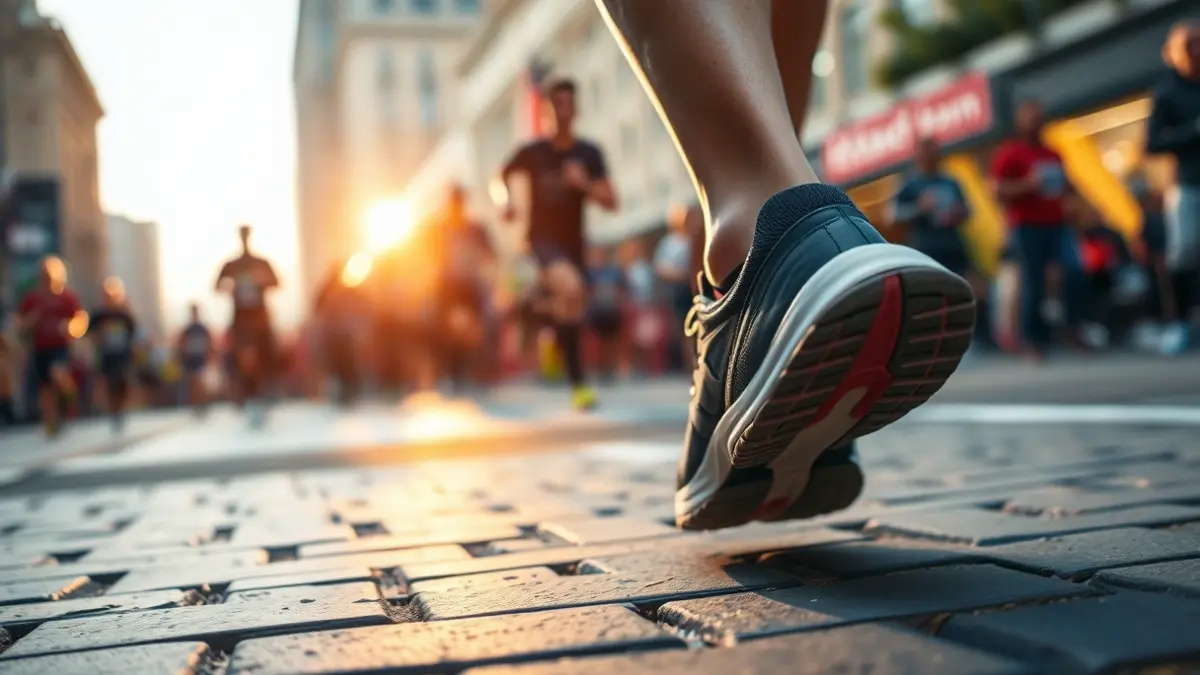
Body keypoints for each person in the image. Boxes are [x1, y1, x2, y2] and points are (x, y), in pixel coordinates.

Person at [595, 0, 975, 530]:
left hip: (761, 243)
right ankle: (791, 229)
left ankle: (751, 242)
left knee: (749, 198)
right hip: (817, 224)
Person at [494, 78, 618, 411]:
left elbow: (611, 201)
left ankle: (576, 383)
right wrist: (506, 201)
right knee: (572, 289)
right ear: (547, 110)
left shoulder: (589, 153)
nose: (562, 109)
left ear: (576, 108)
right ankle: (535, 302)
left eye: (568, 103)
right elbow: (501, 174)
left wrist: (584, 184)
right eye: (556, 103)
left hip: (573, 242)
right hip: (541, 239)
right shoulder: (533, 152)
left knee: (571, 306)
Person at [990, 99, 1089, 359]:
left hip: (1058, 224)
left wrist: (1074, 202)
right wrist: (1028, 185)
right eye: (1029, 115)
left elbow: (1067, 186)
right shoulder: (1010, 153)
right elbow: (997, 191)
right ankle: (1034, 340)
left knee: (1076, 269)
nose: (1035, 120)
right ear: (1020, 121)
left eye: (1038, 115)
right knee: (1032, 283)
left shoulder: (1053, 154)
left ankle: (1072, 326)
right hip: (1027, 226)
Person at [1146, 21, 1200, 353]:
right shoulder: (1167, 91)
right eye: (1191, 44)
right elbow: (1152, 143)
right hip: (1188, 184)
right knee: (1184, 255)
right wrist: (1193, 131)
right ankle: (1179, 323)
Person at [214, 224, 280, 428]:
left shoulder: (261, 263)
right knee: (241, 358)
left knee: (265, 357)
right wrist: (230, 286)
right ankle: (248, 396)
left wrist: (262, 280)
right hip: (240, 319)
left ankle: (263, 395)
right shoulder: (231, 264)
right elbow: (216, 286)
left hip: (260, 318)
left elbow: (277, 283)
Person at [432, 183, 496, 394]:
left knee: (474, 330)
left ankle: (471, 373)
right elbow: (425, 258)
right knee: (448, 330)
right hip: (447, 285)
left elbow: (490, 256)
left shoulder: (475, 229)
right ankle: (451, 374)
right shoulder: (438, 229)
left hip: (470, 283)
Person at [16, 256, 87, 439]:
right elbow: (19, 324)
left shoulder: (67, 297)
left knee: (58, 373)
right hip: (40, 348)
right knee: (45, 387)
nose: (46, 277)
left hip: (60, 346)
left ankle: (68, 397)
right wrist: (31, 321)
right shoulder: (32, 299)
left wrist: (71, 328)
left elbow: (81, 319)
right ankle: (51, 424)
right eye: (43, 273)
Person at [892, 138, 973, 277]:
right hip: (926, 250)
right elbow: (894, 215)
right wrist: (919, 208)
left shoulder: (949, 182)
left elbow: (968, 210)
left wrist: (958, 212)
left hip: (953, 248)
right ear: (918, 157)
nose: (930, 157)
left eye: (933, 153)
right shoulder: (909, 184)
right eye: (925, 153)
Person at [86, 277, 138, 433]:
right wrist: (98, 338)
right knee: (110, 383)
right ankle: (113, 412)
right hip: (106, 355)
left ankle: (121, 409)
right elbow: (89, 333)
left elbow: (133, 333)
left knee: (121, 383)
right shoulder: (98, 314)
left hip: (122, 354)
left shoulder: (124, 313)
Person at [655, 204, 697, 370]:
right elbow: (661, 268)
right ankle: (692, 365)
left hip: (697, 286)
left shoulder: (696, 237)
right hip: (680, 290)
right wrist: (681, 275)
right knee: (686, 329)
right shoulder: (669, 243)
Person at [586, 246, 627, 382]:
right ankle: (599, 369)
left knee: (612, 341)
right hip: (595, 312)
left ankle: (611, 368)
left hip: (612, 311)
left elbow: (623, 289)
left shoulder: (613, 272)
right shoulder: (589, 273)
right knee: (597, 341)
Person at [176, 303, 214, 415]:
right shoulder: (187, 329)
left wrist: (210, 355)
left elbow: (210, 343)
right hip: (190, 359)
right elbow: (181, 343)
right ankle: (196, 405)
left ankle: (202, 404)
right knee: (193, 383)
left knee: (199, 382)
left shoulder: (202, 329)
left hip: (200, 359)